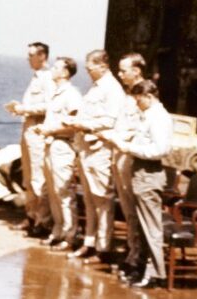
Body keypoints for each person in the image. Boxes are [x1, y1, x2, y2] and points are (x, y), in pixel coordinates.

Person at [102, 79, 172, 289]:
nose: (136, 103)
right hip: (141, 174)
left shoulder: (158, 117)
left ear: (149, 96)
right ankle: (145, 269)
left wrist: (127, 148)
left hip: (149, 174)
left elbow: (160, 149)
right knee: (143, 228)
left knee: (151, 229)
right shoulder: (148, 115)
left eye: (139, 99)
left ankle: (156, 274)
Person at [64, 49, 125, 262]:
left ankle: (103, 247)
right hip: (86, 149)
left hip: (100, 150)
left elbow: (110, 121)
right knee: (89, 200)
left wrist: (82, 124)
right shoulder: (96, 87)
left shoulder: (112, 90)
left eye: (90, 68)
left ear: (102, 66)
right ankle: (89, 242)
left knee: (102, 201)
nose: (88, 72)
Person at [32, 56, 82, 250]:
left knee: (63, 191)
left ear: (65, 72)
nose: (52, 69)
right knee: (53, 191)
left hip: (62, 146)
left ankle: (70, 234)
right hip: (51, 145)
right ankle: (58, 230)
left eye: (56, 67)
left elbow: (73, 127)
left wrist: (50, 130)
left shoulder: (71, 95)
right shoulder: (57, 93)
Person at [5, 41, 54, 238]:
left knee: (37, 177)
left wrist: (24, 109)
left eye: (31, 55)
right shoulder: (36, 78)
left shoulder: (48, 78)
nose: (28, 59)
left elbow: (48, 106)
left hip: (38, 131)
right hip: (29, 129)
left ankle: (41, 221)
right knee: (28, 176)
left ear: (42, 56)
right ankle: (31, 215)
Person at [106, 51, 147, 276]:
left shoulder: (144, 94)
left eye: (123, 70)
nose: (120, 74)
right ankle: (132, 252)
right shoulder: (128, 94)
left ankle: (137, 257)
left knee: (133, 209)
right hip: (119, 155)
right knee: (127, 209)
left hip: (130, 157)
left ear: (136, 71)